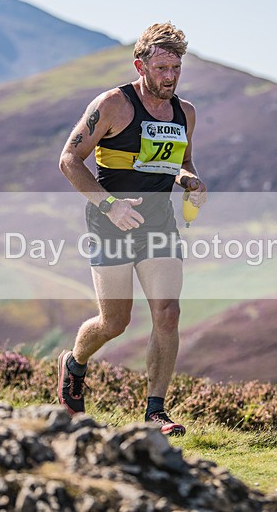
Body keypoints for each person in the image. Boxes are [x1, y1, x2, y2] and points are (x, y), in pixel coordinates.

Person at [57, 23, 206, 435]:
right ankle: (74, 364)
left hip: (158, 222)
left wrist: (190, 180)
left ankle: (155, 411)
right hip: (110, 221)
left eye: (176, 67)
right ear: (140, 65)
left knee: (168, 313)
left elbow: (182, 161)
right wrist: (110, 204)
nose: (170, 76)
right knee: (115, 322)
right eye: (161, 67)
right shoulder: (112, 104)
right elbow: (69, 160)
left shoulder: (185, 112)